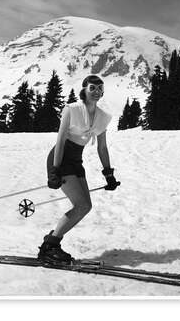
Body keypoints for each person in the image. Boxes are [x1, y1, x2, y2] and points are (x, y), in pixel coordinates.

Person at [38, 74, 120, 264]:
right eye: (92, 87)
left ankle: (52, 241)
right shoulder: (72, 109)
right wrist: (54, 170)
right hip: (61, 157)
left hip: (76, 160)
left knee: (86, 206)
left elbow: (102, 147)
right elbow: (60, 139)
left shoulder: (102, 117)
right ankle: (50, 246)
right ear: (84, 89)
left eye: (100, 88)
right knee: (81, 205)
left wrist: (109, 173)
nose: (97, 91)